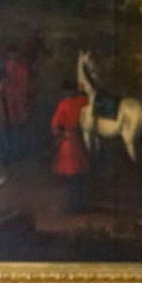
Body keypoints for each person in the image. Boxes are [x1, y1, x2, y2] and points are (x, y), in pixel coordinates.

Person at [49, 80, 89, 213]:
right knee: (80, 176)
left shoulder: (64, 104)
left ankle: (74, 206)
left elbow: (55, 126)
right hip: (83, 142)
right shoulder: (84, 101)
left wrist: (62, 135)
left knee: (72, 177)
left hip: (71, 144)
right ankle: (80, 204)